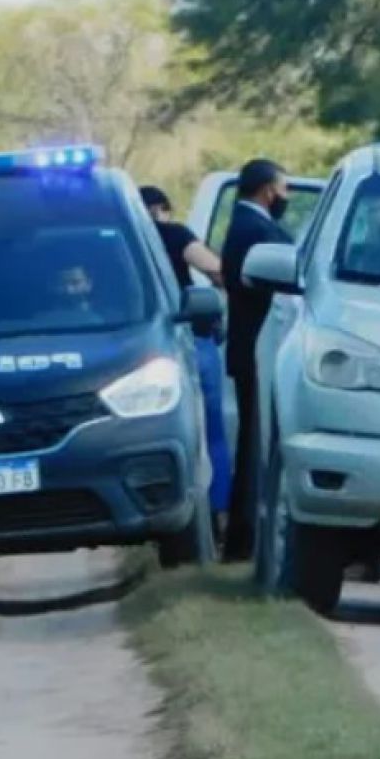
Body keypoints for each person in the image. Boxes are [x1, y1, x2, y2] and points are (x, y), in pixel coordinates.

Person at [140, 185, 232, 533]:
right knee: (213, 433)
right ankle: (218, 515)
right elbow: (216, 269)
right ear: (162, 208)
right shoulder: (174, 234)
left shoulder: (122, 241)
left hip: (147, 346)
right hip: (190, 338)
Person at [220, 158, 295, 562]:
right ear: (268, 189)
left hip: (254, 351)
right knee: (256, 449)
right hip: (259, 352)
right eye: (284, 188)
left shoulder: (245, 226)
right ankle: (245, 538)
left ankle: (245, 537)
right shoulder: (256, 232)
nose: (285, 197)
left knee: (255, 446)